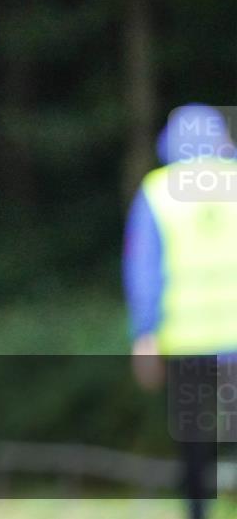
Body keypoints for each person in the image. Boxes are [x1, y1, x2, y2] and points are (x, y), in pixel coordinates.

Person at [123, 103, 237, 519]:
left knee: (194, 441)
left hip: (186, 340)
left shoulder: (156, 190)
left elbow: (143, 270)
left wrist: (145, 334)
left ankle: (198, 514)